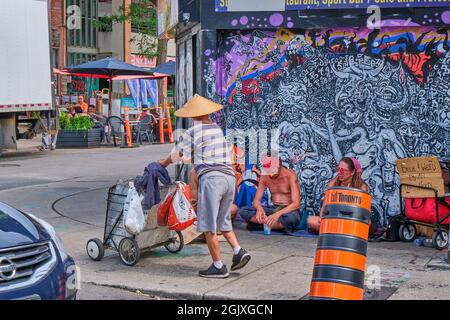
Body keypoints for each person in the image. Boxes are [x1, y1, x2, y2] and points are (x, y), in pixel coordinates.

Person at [159, 94, 251, 279]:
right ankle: (238, 250)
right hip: (228, 178)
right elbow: (205, 154)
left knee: (208, 225)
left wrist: (163, 163)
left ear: (193, 114)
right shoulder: (215, 129)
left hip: (213, 180)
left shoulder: (194, 130)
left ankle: (218, 266)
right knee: (223, 221)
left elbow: (178, 153)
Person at [238, 156, 303, 233]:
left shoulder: (290, 175)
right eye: (269, 172)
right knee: (243, 211)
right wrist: (259, 208)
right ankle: (275, 226)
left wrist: (277, 215)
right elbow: (256, 200)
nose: (271, 175)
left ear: (279, 166)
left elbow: (296, 204)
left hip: (287, 210)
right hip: (272, 209)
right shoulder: (265, 176)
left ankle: (259, 226)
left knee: (291, 219)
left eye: (273, 171)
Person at [308, 157, 369, 232]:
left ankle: (333, 230)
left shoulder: (361, 187)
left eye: (343, 170)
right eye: (338, 169)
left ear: (352, 172)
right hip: (335, 219)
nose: (340, 172)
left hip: (351, 221)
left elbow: (363, 212)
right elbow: (325, 205)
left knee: (367, 223)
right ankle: (339, 230)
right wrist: (321, 218)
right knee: (311, 220)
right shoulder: (333, 184)